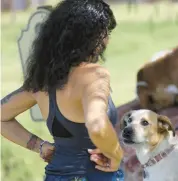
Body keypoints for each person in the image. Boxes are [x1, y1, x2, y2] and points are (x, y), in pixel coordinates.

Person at [1, 0, 124, 180]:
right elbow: (96, 126)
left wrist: (39, 146)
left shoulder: (42, 83)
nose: (108, 39)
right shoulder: (95, 76)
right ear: (92, 36)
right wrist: (115, 153)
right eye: (106, 32)